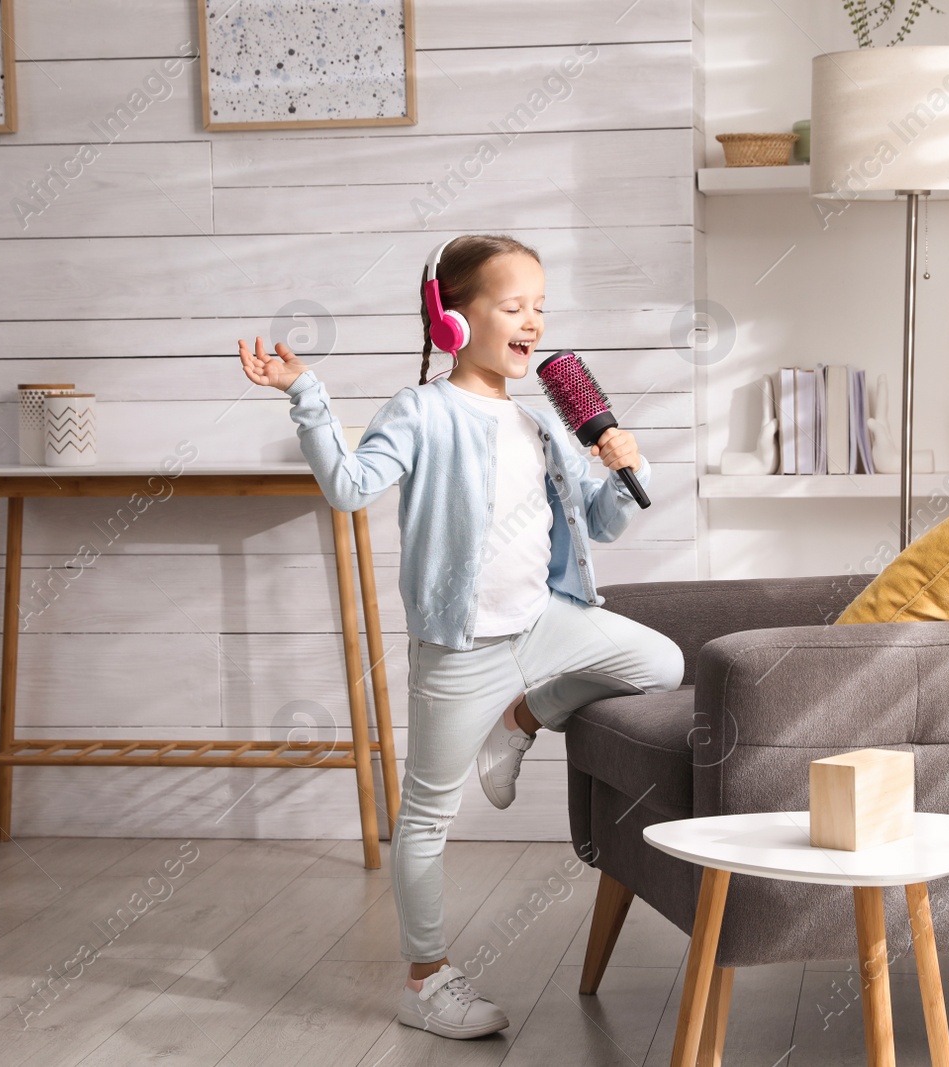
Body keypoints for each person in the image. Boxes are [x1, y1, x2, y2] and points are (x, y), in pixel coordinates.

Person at [237, 232, 685, 1040]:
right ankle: (426, 978)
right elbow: (347, 487)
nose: (532, 323)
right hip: (462, 647)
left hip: (547, 621)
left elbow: (603, 524)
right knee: (428, 817)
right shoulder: (422, 409)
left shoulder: (545, 426)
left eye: (540, 308)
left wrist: (627, 465)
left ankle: (520, 723)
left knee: (662, 660)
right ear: (451, 319)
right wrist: (305, 392)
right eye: (514, 306)